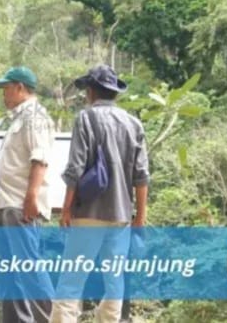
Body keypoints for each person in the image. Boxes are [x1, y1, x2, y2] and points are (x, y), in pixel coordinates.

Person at [52, 65, 149, 323]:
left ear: (92, 91)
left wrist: (66, 208)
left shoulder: (86, 118)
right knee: (114, 280)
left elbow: (75, 167)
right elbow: (142, 176)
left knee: (72, 278)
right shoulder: (134, 124)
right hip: (121, 216)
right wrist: (140, 217)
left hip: (88, 214)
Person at [0, 66, 55, 323]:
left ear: (20, 88)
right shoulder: (18, 118)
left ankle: (50, 318)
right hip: (5, 204)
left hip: (19, 205)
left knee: (28, 268)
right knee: (9, 274)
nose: (3, 94)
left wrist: (31, 198)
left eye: (6, 88)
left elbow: (40, 159)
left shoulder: (35, 117)